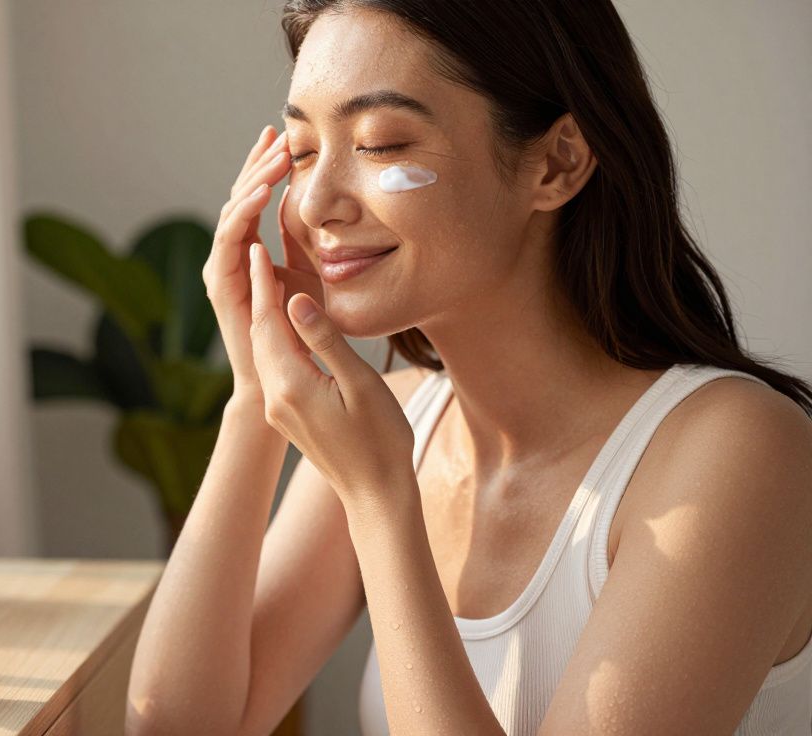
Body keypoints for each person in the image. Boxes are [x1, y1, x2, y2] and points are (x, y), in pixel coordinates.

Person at [125, 1, 812, 734]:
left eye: (381, 144)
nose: (315, 203)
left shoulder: (737, 452)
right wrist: (257, 395)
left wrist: (382, 501)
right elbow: (177, 727)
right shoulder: (393, 425)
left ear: (557, 162)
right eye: (299, 152)